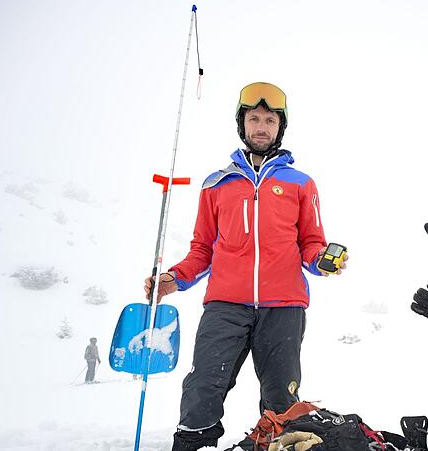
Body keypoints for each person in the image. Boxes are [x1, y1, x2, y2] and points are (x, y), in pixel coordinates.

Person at [143, 82, 347, 451]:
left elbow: (311, 244)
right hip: (226, 304)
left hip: (283, 305)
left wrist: (321, 262)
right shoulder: (217, 185)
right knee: (204, 383)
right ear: (243, 124)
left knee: (282, 398)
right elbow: (202, 247)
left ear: (279, 128)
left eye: (270, 119)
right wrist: (175, 277)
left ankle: (277, 445)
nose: (261, 126)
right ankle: (194, 444)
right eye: (254, 118)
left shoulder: (301, 184)